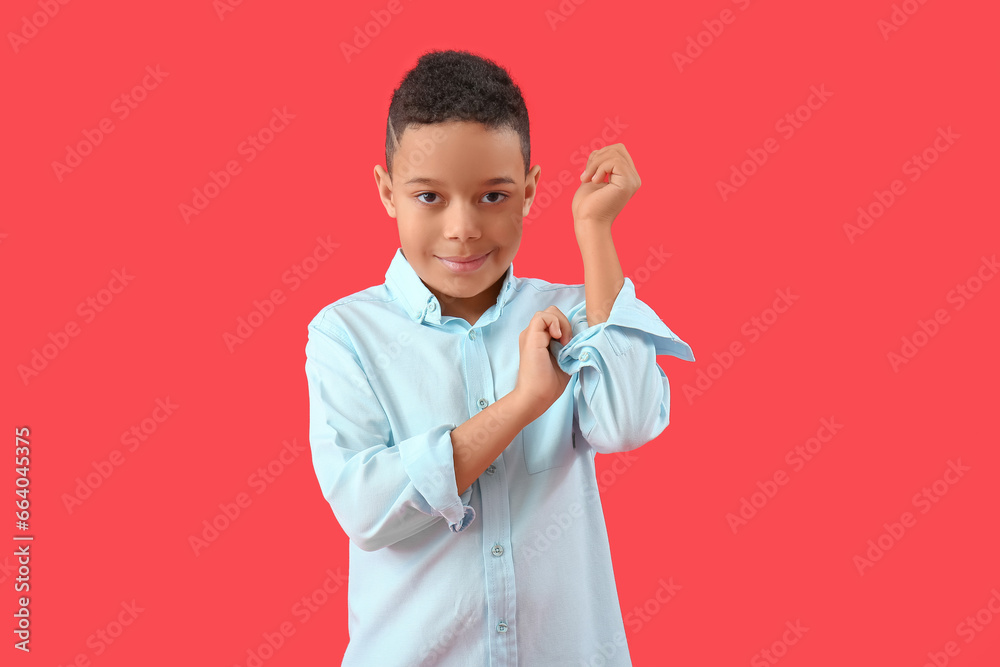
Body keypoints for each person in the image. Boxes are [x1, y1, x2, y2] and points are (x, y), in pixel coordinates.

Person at [304, 48, 695, 666]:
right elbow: (369, 510)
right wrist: (524, 404)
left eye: (493, 196)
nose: (462, 228)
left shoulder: (575, 310)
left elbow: (629, 423)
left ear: (531, 189)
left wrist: (595, 234)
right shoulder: (347, 333)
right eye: (429, 196)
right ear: (386, 192)